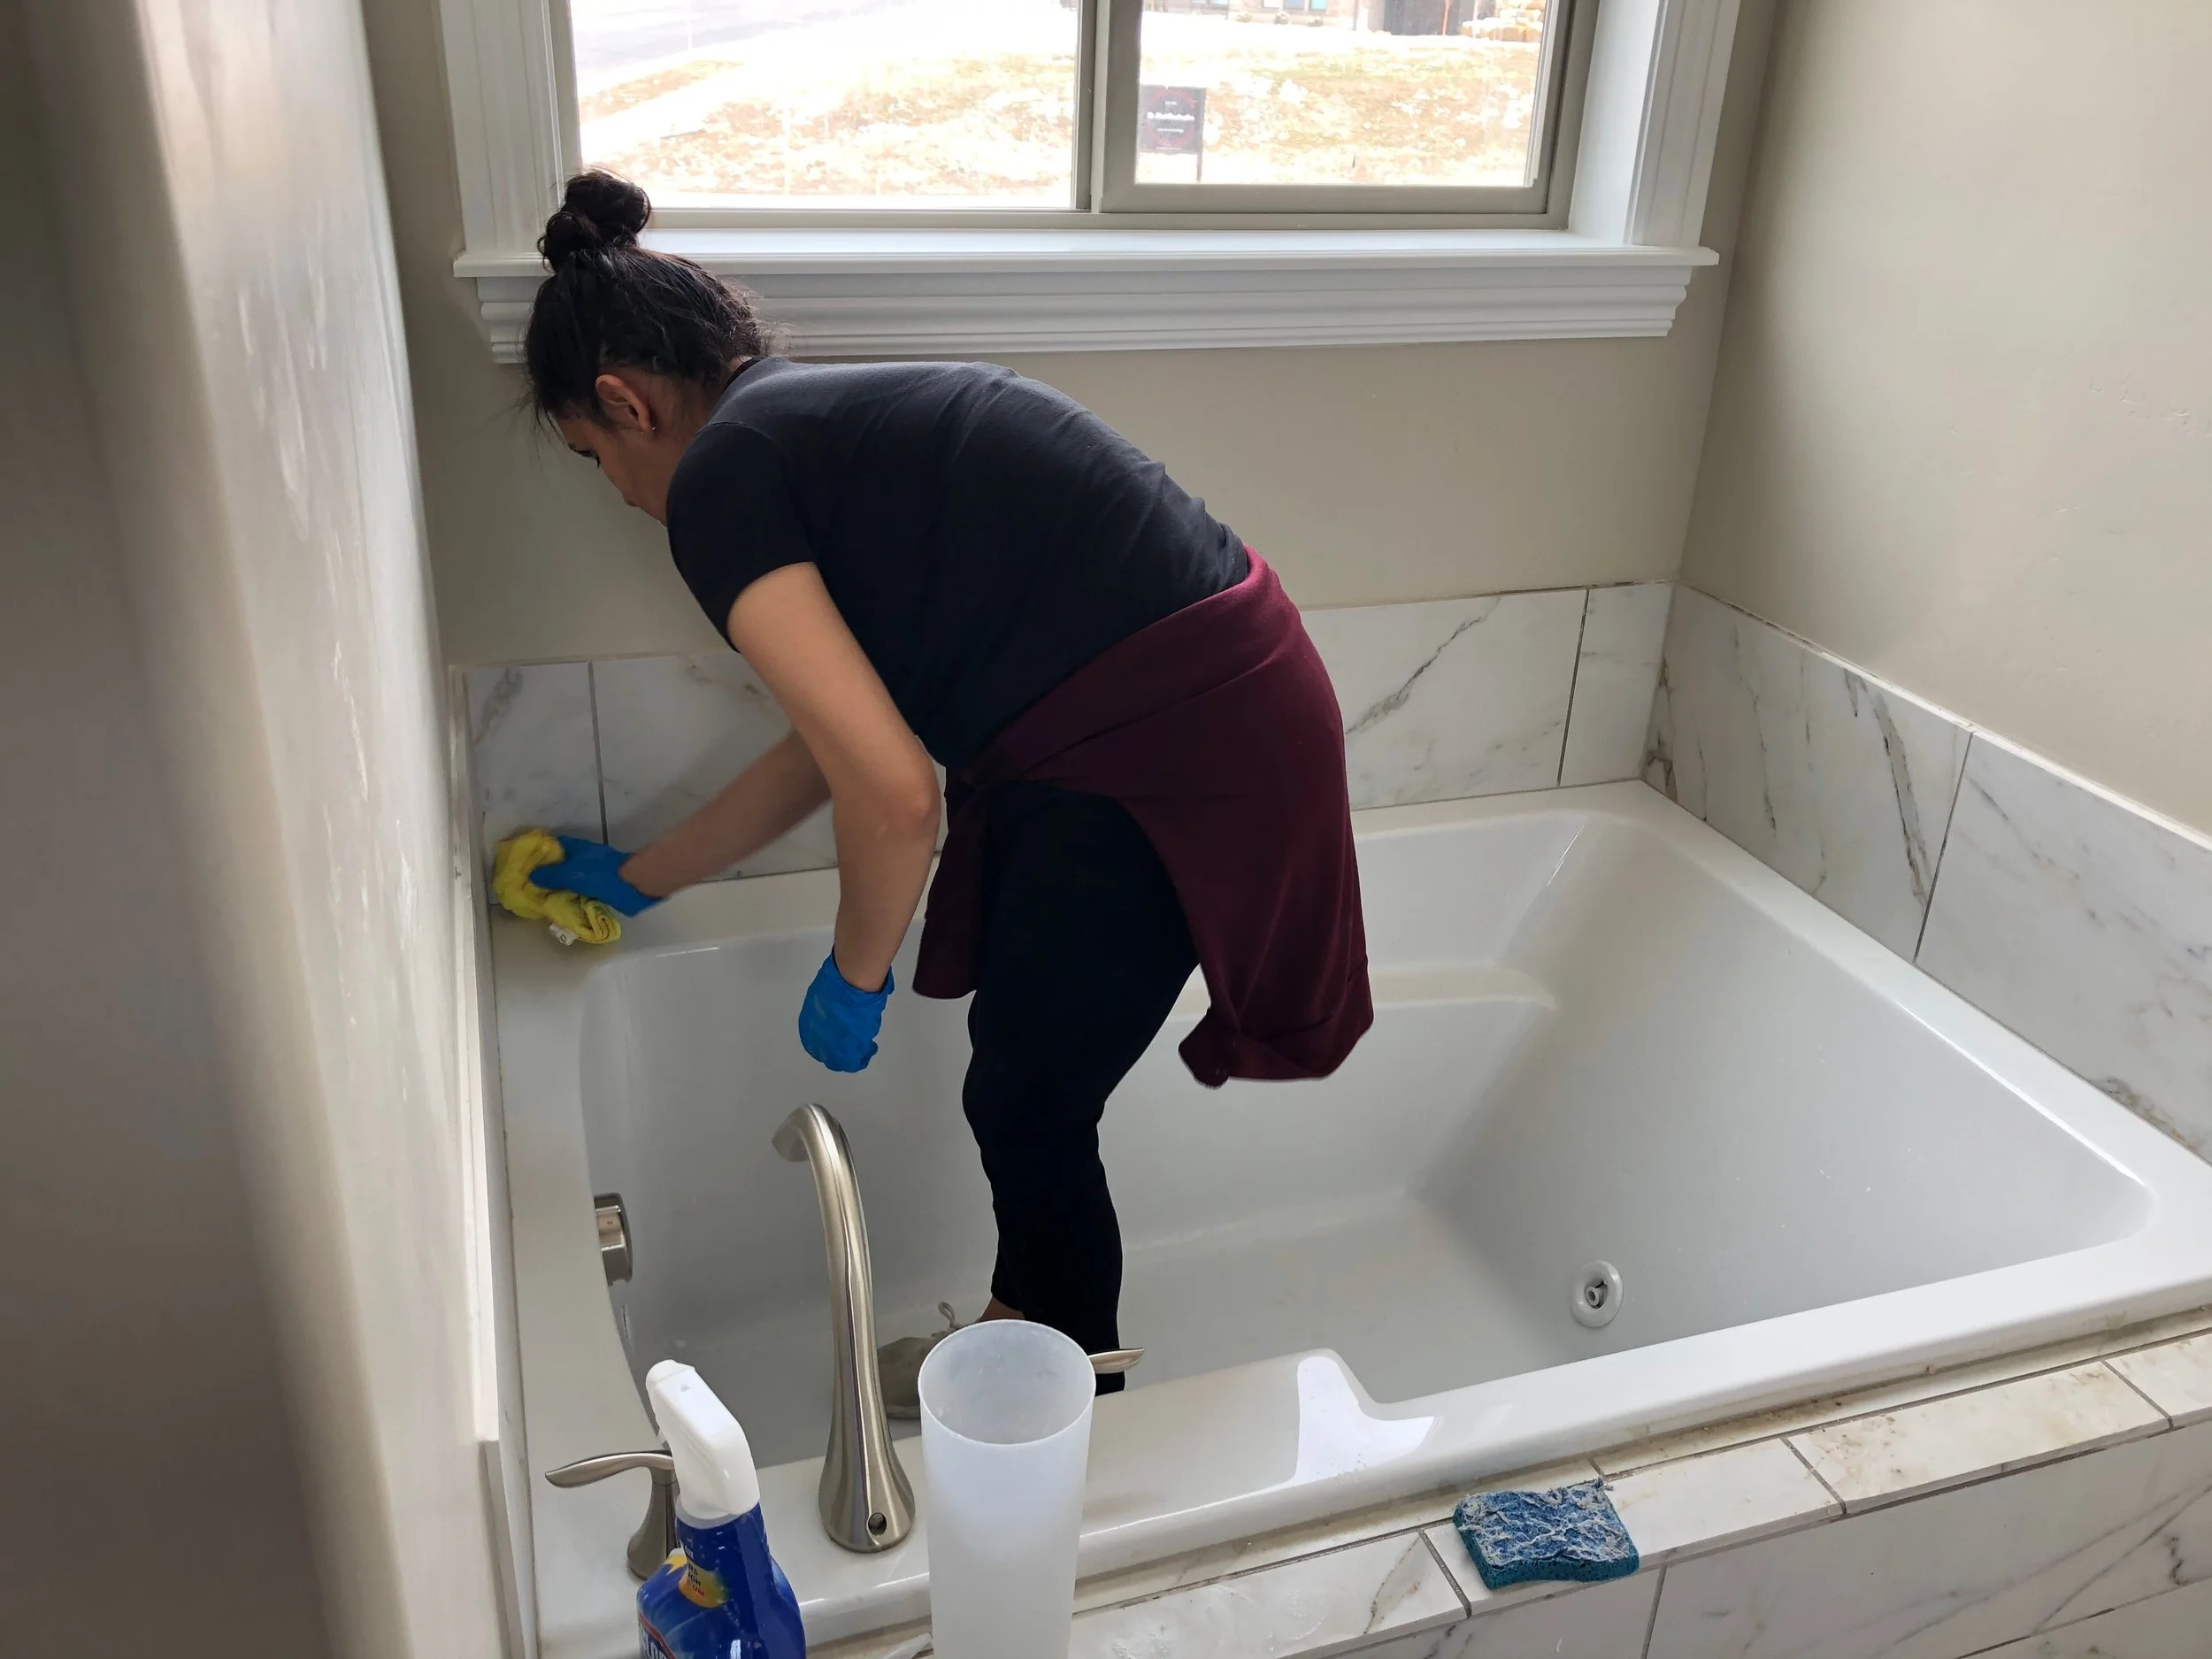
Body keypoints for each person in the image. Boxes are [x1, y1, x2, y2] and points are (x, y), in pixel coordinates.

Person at [515, 172, 1371, 1402]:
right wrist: (637, 879)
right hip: (1198, 709)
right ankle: (1027, 1340)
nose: (622, 493)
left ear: (624, 402)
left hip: (1174, 744)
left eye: (598, 458)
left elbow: (899, 797)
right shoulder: (805, 437)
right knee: (1022, 1081)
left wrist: (855, 975)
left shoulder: (723, 483)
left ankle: (1062, 1395)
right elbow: (834, 745)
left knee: (1026, 1094)